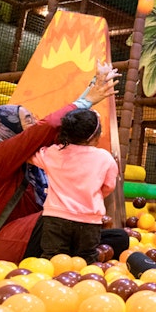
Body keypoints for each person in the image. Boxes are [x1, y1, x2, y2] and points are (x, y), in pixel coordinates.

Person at [0, 61, 125, 263]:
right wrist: (87, 100)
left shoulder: (34, 156)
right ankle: (71, 260)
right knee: (60, 214)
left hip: (33, 232)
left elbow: (66, 132)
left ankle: (75, 256)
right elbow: (48, 128)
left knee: (118, 238)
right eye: (28, 119)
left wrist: (94, 84)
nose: (34, 123)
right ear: (5, 127)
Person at [30, 108, 118, 262]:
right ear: (96, 135)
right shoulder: (105, 158)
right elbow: (108, 186)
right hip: (89, 220)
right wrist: (93, 196)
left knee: (53, 259)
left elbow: (29, 154)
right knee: (86, 258)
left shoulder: (53, 153)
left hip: (56, 217)